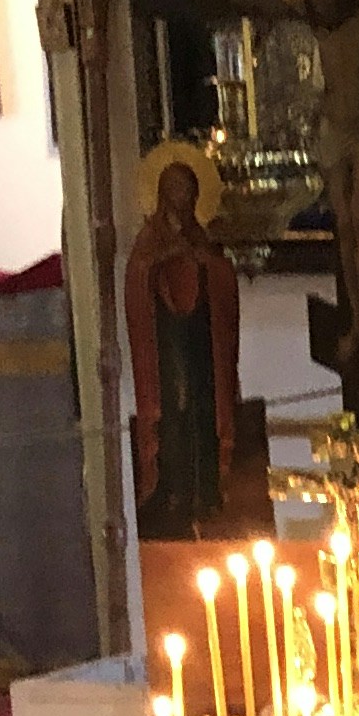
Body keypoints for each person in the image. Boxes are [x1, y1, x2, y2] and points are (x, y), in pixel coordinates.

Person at [123, 148, 241, 539]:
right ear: (161, 192)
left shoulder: (200, 235)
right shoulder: (150, 236)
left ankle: (204, 492)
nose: (181, 196)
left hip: (199, 341)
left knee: (203, 408)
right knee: (174, 407)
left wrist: (207, 261)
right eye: (173, 188)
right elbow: (139, 275)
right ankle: (171, 490)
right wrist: (167, 256)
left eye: (187, 188)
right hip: (166, 340)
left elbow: (221, 276)